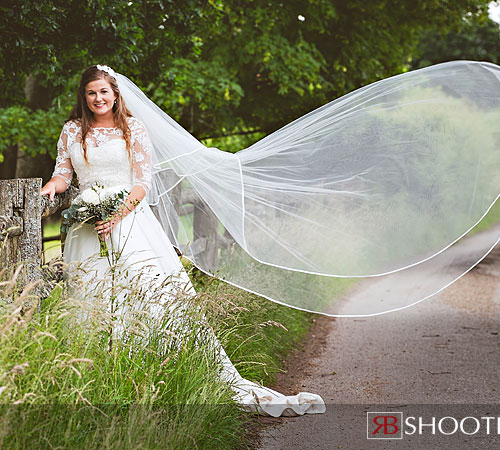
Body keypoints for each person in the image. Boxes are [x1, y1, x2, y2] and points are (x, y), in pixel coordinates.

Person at [41, 64, 326, 417]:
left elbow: (142, 182)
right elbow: (63, 174)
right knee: (91, 296)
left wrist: (116, 215)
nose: (98, 98)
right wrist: (50, 190)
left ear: (116, 94)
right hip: (86, 230)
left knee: (146, 295)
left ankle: (150, 375)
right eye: (91, 93)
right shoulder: (72, 131)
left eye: (104, 92)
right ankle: (96, 378)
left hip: (130, 224)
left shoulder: (133, 128)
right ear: (83, 97)